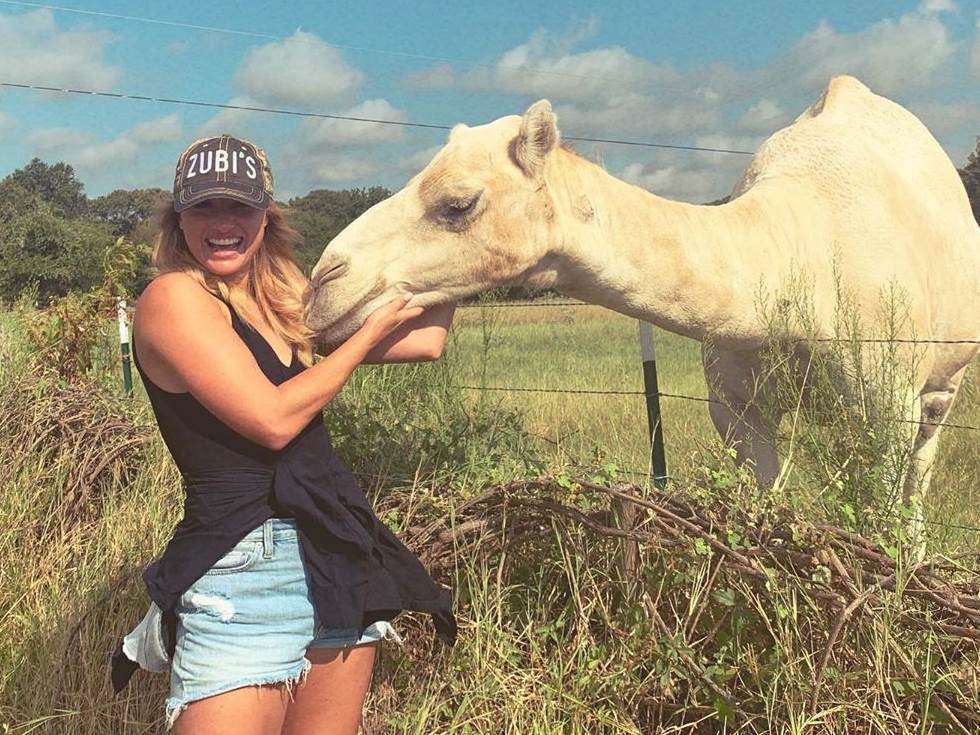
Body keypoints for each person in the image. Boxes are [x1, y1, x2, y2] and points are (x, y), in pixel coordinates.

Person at [109, 134, 457, 734]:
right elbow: (272, 421)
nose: (223, 224)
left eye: (240, 207)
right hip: (245, 564)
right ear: (178, 218)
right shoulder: (173, 298)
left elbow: (426, 341)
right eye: (205, 207)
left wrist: (463, 244)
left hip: (335, 546)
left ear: (266, 215)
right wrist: (362, 340)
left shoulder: (279, 293)